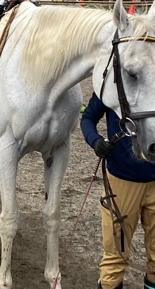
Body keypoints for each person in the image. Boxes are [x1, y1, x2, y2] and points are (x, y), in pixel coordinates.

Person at [81, 92, 155, 289]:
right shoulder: (113, 84)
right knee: (116, 258)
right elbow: (88, 117)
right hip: (122, 182)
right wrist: (95, 140)